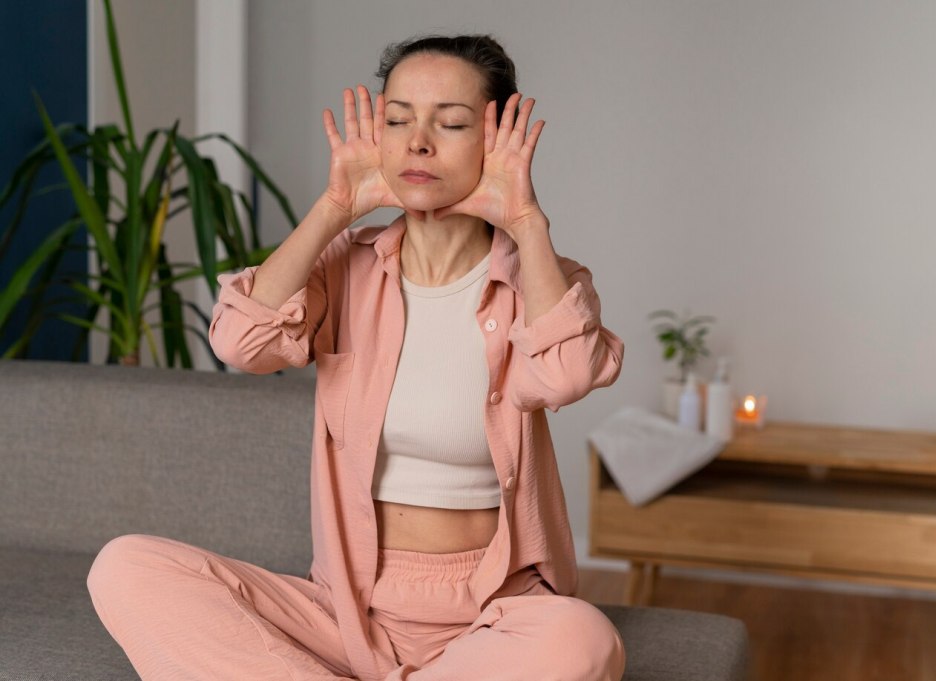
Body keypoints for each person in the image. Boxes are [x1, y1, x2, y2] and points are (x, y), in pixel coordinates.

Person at [87, 34, 625, 681]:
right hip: (345, 612)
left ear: (495, 138)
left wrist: (527, 220)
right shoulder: (349, 267)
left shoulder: (540, 279)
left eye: (450, 123)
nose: (417, 141)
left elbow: (565, 372)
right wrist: (334, 207)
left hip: (492, 614)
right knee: (127, 567)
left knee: (583, 640)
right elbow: (239, 340)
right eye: (397, 119)